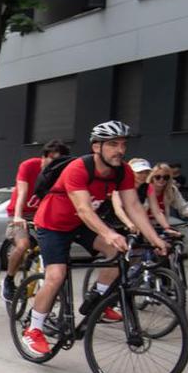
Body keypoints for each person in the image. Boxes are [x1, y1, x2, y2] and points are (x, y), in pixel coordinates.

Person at [17, 121, 168, 357]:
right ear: (96, 147)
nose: (120, 150)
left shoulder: (123, 171)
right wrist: (109, 233)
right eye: (113, 144)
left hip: (80, 224)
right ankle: (34, 329)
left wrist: (155, 238)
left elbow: (134, 206)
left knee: (118, 253)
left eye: (123, 144)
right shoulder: (78, 168)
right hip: (53, 224)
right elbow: (84, 209)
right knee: (56, 275)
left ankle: (97, 299)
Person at [3, 140, 71, 301]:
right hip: (20, 213)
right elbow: (22, 192)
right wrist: (18, 216)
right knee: (23, 245)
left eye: (59, 161)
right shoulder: (28, 166)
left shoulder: (62, 172)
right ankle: (9, 279)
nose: (55, 164)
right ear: (43, 157)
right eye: (51, 159)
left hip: (43, 214)